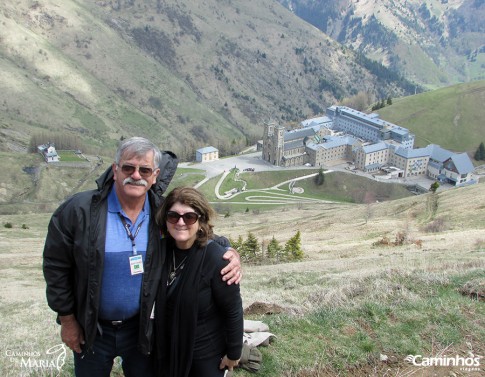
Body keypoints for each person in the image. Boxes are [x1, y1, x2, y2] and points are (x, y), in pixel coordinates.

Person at [42, 137, 242, 377]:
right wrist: (67, 320)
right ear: (115, 169)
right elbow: (56, 267)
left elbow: (190, 230)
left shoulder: (161, 212)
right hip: (92, 329)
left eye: (144, 170)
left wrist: (227, 249)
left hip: (142, 329)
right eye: (128, 167)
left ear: (155, 175)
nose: (136, 175)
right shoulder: (80, 211)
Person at [154, 187, 244, 377]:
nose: (180, 222)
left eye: (189, 217)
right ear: (165, 219)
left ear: (200, 220)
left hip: (205, 356)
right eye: (173, 216)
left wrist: (234, 352)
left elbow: (233, 308)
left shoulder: (217, 259)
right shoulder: (161, 252)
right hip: (167, 350)